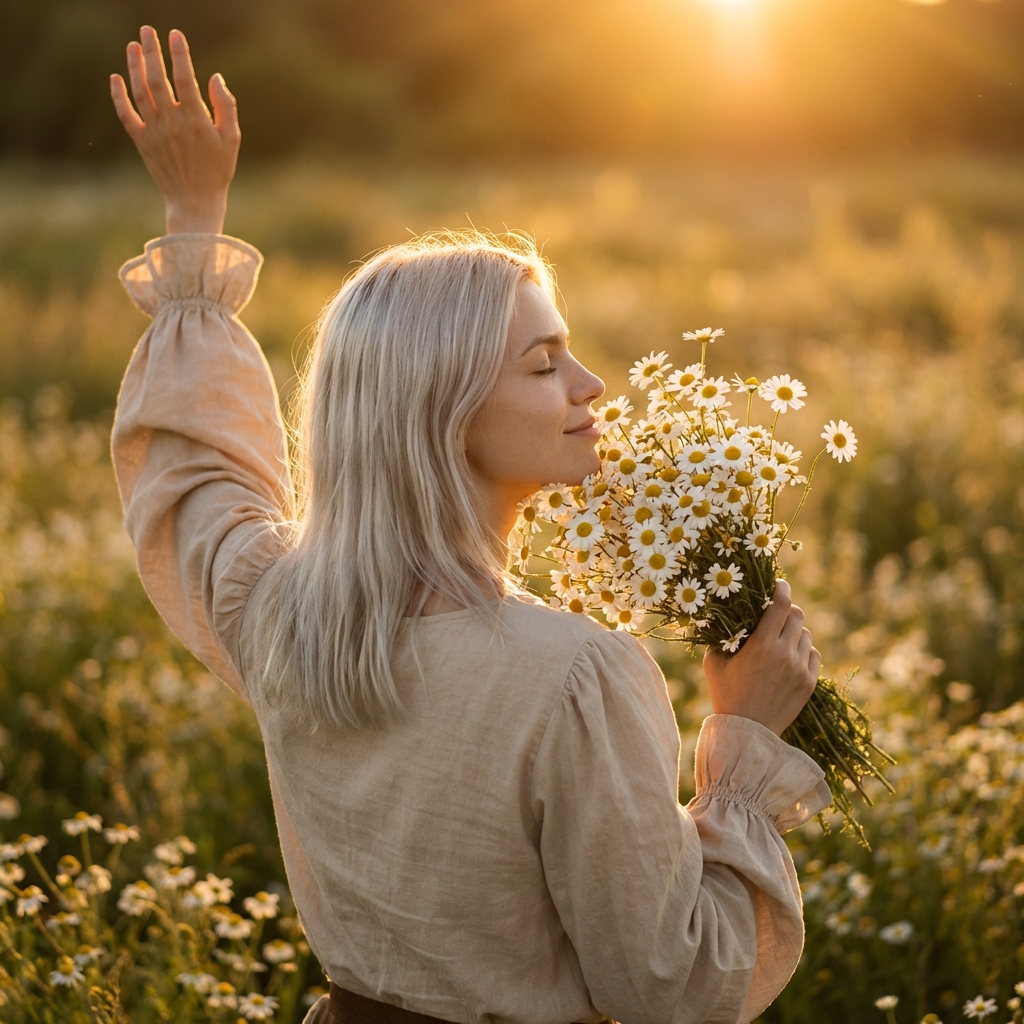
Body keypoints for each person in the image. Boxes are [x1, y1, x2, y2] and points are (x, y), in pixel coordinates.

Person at [109, 26, 829, 1024]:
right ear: (440, 409)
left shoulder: (280, 611)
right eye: (541, 364)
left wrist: (194, 215)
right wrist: (742, 750)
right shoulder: (577, 674)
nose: (590, 387)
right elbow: (670, 988)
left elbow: (193, 478)